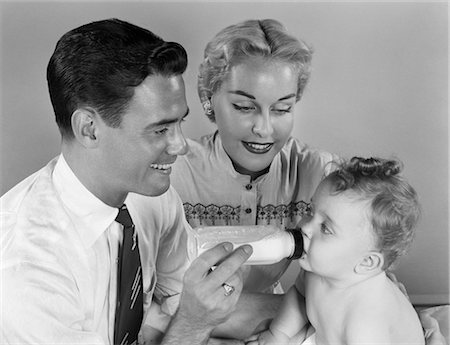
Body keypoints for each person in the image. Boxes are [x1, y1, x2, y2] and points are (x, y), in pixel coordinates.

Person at [0, 18, 253, 345]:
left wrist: (319, 303)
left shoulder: (151, 195)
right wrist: (192, 326)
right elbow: (192, 317)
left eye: (180, 124)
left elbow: (189, 299)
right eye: (161, 129)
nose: (181, 145)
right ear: (89, 128)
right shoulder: (26, 269)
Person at [171, 18, 335, 295]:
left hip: (277, 324)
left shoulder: (320, 172)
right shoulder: (173, 172)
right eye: (245, 107)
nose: (264, 129)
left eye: (282, 108)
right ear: (208, 99)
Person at [247, 157, 425, 345]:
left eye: (325, 228)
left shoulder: (365, 323)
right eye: (310, 211)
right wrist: (279, 334)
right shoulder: (318, 270)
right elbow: (299, 296)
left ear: (366, 262)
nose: (306, 227)